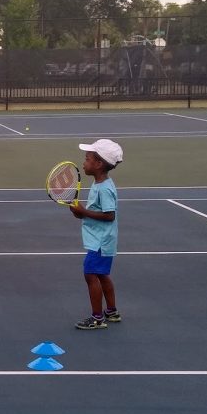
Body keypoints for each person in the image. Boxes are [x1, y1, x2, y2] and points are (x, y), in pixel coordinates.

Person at [69, 139, 123, 330]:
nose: (83, 162)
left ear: (99, 164)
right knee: (101, 275)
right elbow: (97, 213)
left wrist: (83, 212)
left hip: (101, 241)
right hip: (101, 239)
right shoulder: (99, 184)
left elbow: (109, 215)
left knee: (90, 274)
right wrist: (80, 213)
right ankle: (111, 311)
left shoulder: (105, 188)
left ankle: (97, 318)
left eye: (87, 159)